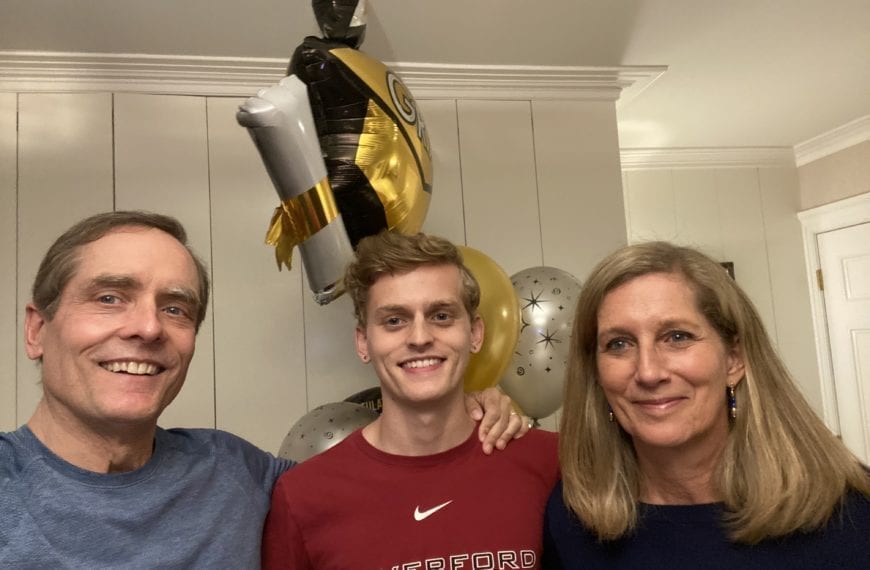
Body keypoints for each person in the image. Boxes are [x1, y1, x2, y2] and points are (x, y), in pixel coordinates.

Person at [0, 211, 527, 568]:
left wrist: (464, 401)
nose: (148, 327)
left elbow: (383, 477)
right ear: (37, 330)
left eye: (175, 307)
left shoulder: (237, 472)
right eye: (110, 297)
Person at [543, 241, 870, 569]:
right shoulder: (571, 522)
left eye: (677, 337)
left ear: (733, 359)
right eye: (619, 344)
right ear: (596, 373)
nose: (648, 372)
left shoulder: (852, 514)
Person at [262, 231, 560, 569]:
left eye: (441, 316)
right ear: (363, 343)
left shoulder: (551, 463)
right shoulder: (304, 496)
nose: (420, 338)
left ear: (475, 333)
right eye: (394, 321)